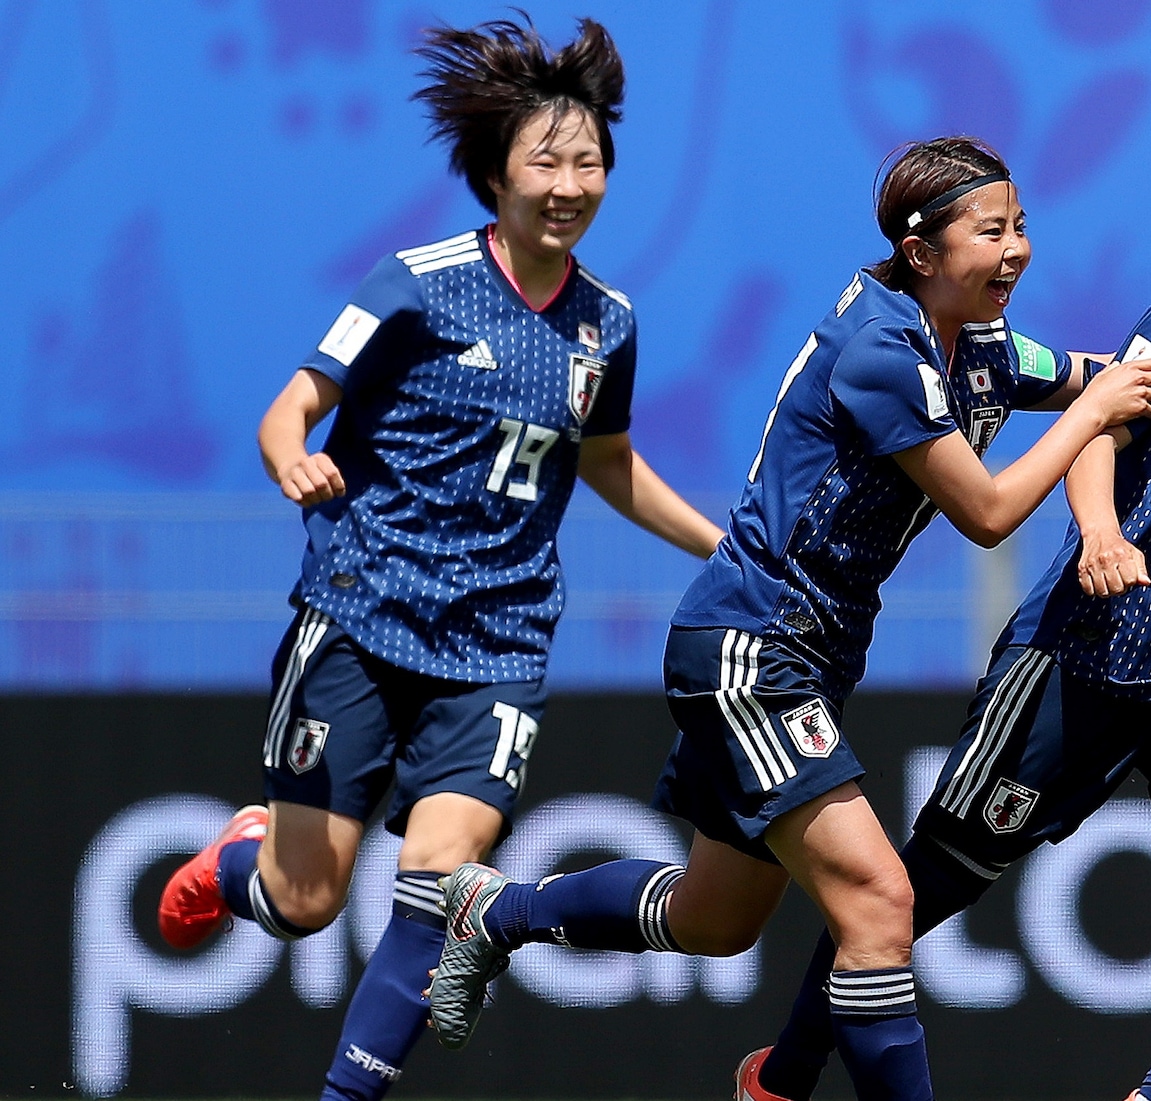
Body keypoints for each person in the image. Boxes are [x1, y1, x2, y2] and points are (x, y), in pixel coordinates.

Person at [427, 136, 1151, 1101]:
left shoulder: (984, 346)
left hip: (800, 656)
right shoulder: (882, 349)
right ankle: (780, 1089)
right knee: (881, 905)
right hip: (751, 649)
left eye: (1022, 225)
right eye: (991, 230)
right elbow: (989, 511)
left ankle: (496, 914)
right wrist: (1093, 416)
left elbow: (1086, 375)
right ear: (922, 254)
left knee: (716, 921)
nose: (1017, 250)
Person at [737, 83, 1151, 1101]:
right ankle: (780, 1080)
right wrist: (1098, 531)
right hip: (1076, 653)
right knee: (908, 902)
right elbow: (1100, 419)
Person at [153, 18, 724, 1101]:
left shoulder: (609, 324)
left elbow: (609, 465)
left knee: (441, 883)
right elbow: (296, 407)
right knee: (304, 902)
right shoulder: (415, 282)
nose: (569, 183)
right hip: (364, 618)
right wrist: (293, 463)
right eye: (545, 161)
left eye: (588, 160)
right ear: (495, 173)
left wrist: (728, 548)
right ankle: (237, 856)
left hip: (499, 644)